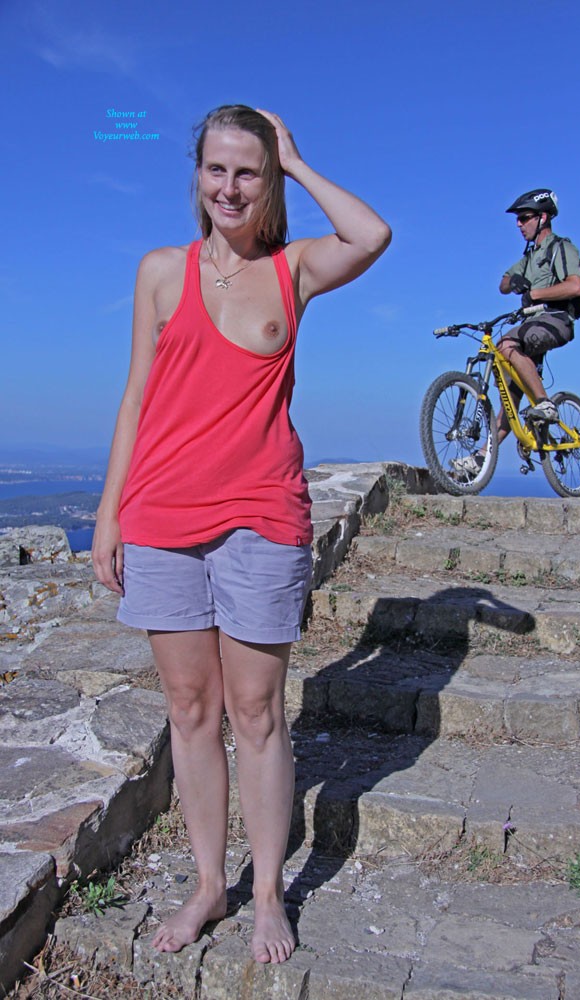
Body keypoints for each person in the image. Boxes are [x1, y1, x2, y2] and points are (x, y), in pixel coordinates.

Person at [91, 104, 391, 964]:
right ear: (196, 176)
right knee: (190, 709)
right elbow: (135, 396)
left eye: (247, 171)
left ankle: (264, 893)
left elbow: (371, 234)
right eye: (215, 169)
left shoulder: (292, 269)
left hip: (260, 517)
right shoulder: (160, 271)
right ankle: (206, 885)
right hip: (161, 516)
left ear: (267, 183)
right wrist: (110, 512)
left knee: (256, 711)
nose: (229, 187)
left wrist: (294, 158)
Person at [451, 188, 580, 479]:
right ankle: (479, 460)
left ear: (543, 217)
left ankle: (546, 405)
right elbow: (503, 283)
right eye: (518, 219)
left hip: (556, 319)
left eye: (524, 218)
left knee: (506, 344)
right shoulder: (529, 256)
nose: (519, 224)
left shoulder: (561, 248)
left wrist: (535, 293)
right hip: (531, 325)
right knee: (508, 406)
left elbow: (575, 286)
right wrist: (514, 282)